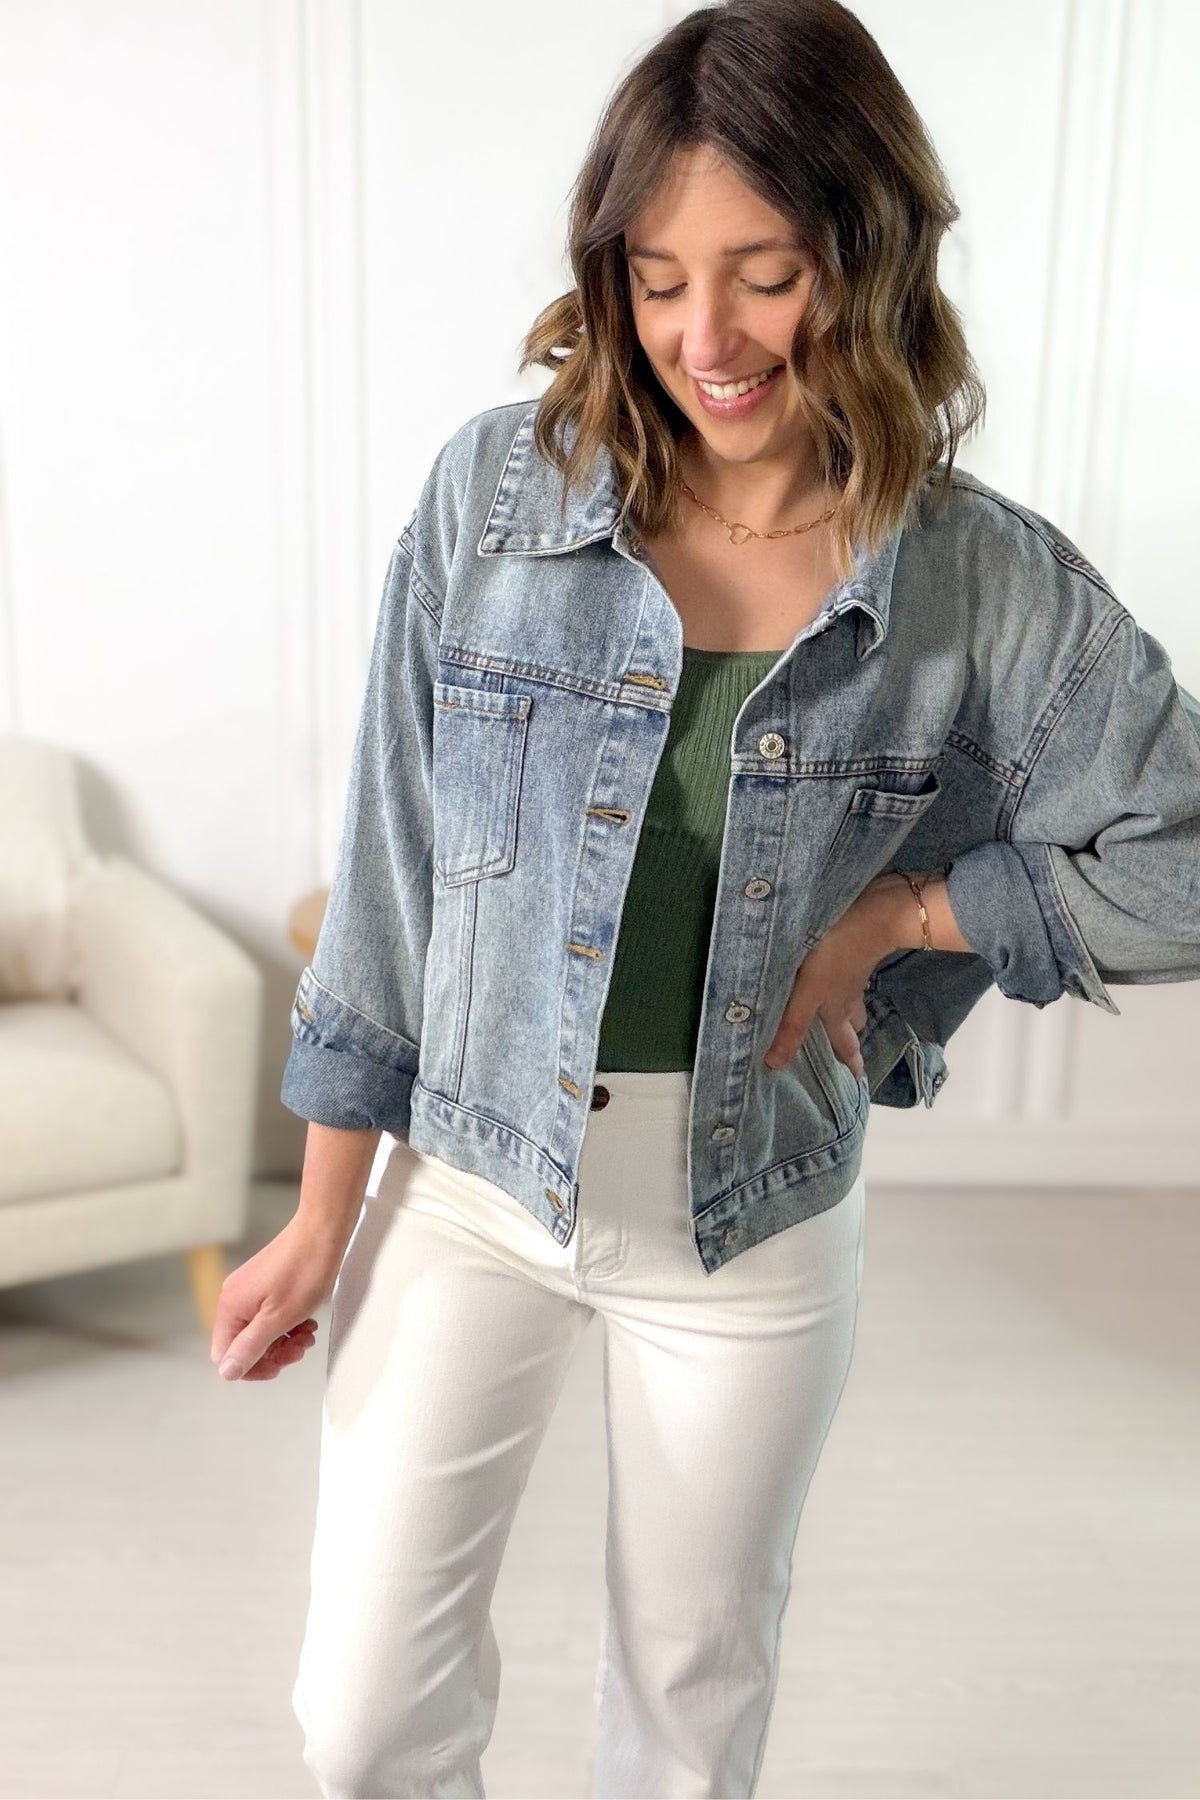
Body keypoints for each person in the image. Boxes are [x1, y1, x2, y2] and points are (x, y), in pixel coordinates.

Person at [211, 2, 1200, 1795]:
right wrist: (321, 1216)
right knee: (360, 1721)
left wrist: (909, 917)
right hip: (471, 1176)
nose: (705, 338)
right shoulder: (494, 498)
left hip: (751, 1215)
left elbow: (1184, 858)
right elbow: (391, 877)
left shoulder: (979, 581)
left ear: (868, 258)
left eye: (766, 275)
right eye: (658, 280)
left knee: (687, 1717)